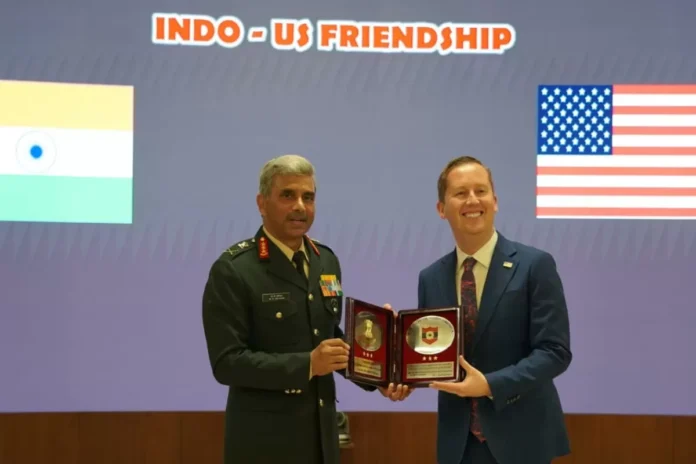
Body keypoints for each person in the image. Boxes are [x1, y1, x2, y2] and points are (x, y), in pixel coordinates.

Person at [201, 154, 410, 464]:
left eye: (308, 197)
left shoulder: (325, 260)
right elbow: (227, 363)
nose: (300, 206)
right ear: (262, 203)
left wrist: (378, 372)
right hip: (263, 444)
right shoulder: (234, 269)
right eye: (288, 195)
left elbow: (330, 338)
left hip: (321, 441)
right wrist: (308, 364)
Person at [403, 156, 572, 464]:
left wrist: (491, 385)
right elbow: (433, 354)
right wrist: (399, 370)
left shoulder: (535, 265)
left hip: (522, 440)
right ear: (441, 208)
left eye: (480, 191)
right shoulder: (431, 278)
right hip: (458, 444)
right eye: (460, 193)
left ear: (495, 202)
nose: (472, 200)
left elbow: (555, 352)